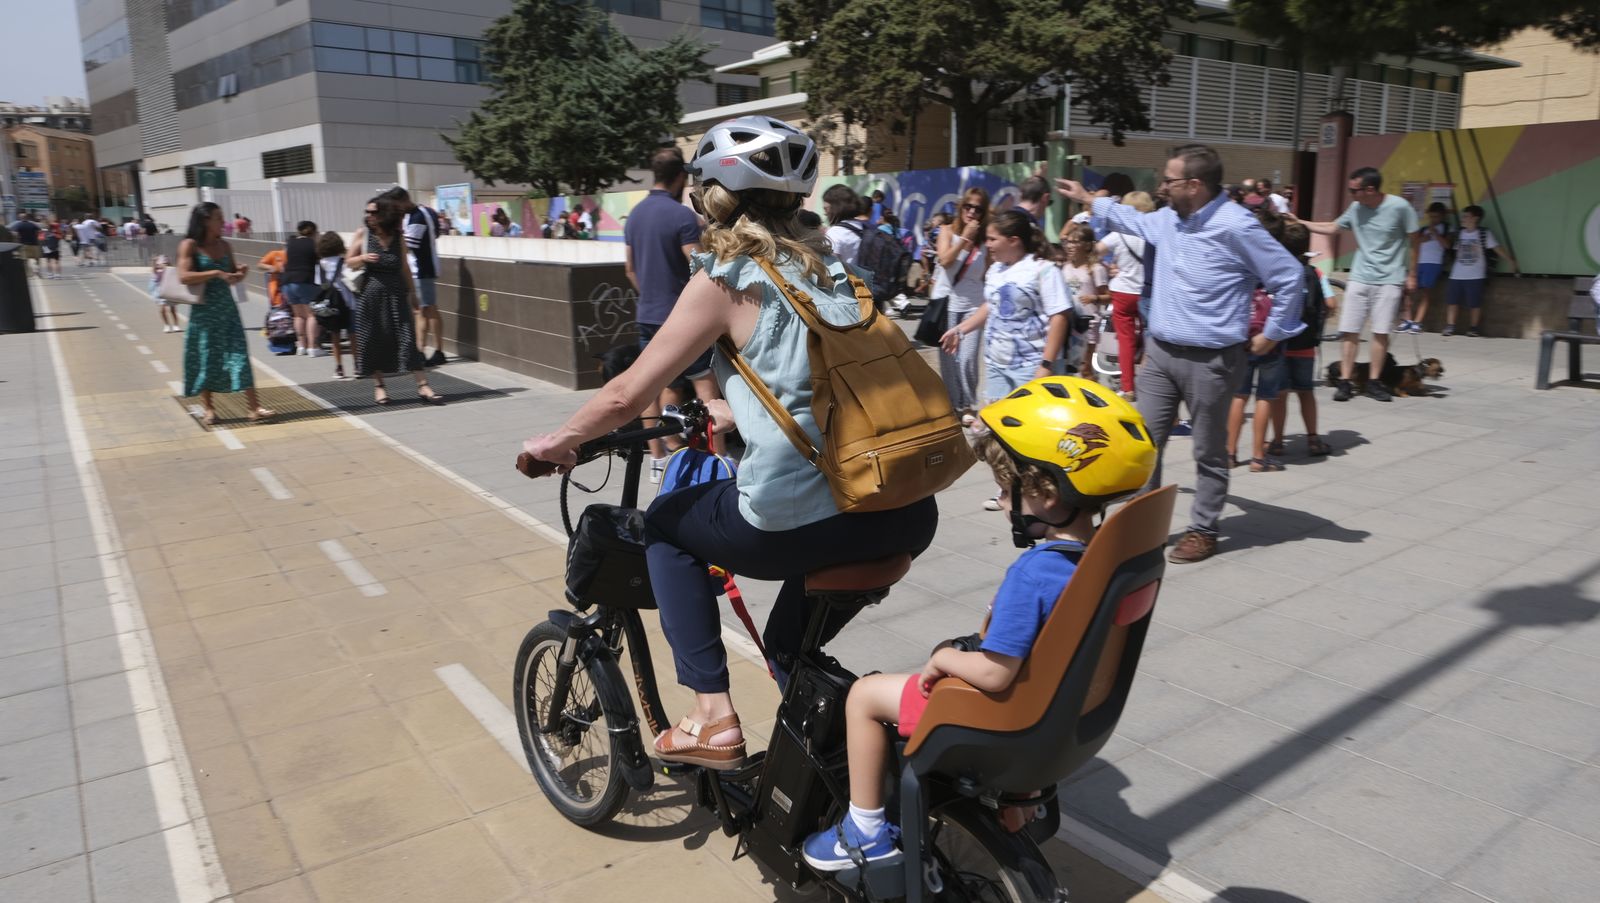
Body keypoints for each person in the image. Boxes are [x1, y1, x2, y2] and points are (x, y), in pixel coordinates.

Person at [523, 116, 940, 770]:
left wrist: (558, 441)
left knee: (664, 523)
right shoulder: (832, 270)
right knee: (788, 647)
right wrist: (729, 410)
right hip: (908, 508)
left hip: (815, 518)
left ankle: (712, 717)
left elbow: (626, 394)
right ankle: (849, 751)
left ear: (712, 199)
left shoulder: (727, 277)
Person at [800, 376, 1156, 871]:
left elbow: (996, 674)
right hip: (1059, 717)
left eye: (1008, 485)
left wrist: (944, 658)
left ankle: (864, 830)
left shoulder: (1034, 573)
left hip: (1001, 719)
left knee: (865, 695)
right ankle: (1017, 803)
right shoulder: (1104, 560)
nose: (1002, 498)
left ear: (1047, 493)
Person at [1056, 143, 1305, 564]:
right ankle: (1139, 526)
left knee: (1208, 450)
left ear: (1194, 184)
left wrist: (1274, 333)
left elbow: (1289, 276)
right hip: (1161, 354)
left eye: (1168, 180)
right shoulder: (1170, 218)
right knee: (1141, 443)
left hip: (1213, 360)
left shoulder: (1236, 226)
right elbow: (1132, 218)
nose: (1161, 187)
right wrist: (1088, 200)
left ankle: (1203, 528)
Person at [624, 146, 719, 479]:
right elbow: (700, 268)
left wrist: (651, 297)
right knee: (707, 388)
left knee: (656, 386)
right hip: (683, 321)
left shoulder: (635, 214)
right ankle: (718, 461)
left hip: (647, 315)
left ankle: (658, 459)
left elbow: (630, 269)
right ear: (680, 176)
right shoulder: (681, 216)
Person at [1292, 167, 1420, 403]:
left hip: (1390, 279)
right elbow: (1333, 227)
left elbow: (1415, 239)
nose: (1351, 194)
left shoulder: (1400, 207)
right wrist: (1300, 221)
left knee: (1381, 332)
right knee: (1349, 330)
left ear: (1370, 189)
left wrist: (1412, 274)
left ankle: (1373, 381)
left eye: (1354, 190)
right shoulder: (1356, 208)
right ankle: (1345, 381)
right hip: (1360, 277)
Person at [176, 203, 273, 425]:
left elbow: (230, 277)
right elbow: (183, 276)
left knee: (239, 354)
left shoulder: (225, 245)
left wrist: (239, 274)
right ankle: (209, 408)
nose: (223, 222)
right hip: (204, 313)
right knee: (206, 357)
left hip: (228, 311)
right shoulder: (189, 245)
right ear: (205, 221)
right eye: (218, 218)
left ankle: (254, 407)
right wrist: (216, 272)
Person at [347, 196, 445, 406]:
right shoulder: (363, 235)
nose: (369, 216)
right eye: (367, 212)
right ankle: (379, 387)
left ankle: (423, 385)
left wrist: (413, 294)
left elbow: (404, 268)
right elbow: (348, 261)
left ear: (385, 214)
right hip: (371, 297)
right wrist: (362, 258)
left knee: (408, 339)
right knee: (373, 340)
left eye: (374, 212)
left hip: (396, 295)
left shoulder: (398, 237)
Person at [1268, 222, 1330, 458]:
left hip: (1281, 343)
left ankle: (1277, 441)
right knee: (1306, 392)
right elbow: (1331, 304)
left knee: (1280, 394)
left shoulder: (1279, 270)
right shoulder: (1314, 273)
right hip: (1306, 344)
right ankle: (1313, 440)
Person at [930, 188, 990, 422]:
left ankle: (967, 404)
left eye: (978, 208)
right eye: (969, 206)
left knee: (967, 359)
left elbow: (988, 273)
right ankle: (953, 404)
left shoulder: (986, 239)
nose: (972, 212)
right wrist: (965, 238)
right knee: (949, 360)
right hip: (947, 303)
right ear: (961, 206)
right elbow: (944, 261)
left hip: (974, 304)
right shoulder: (947, 231)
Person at [380, 187, 447, 366]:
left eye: (396, 205)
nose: (396, 210)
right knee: (427, 309)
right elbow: (437, 233)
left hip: (422, 269)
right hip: (426, 267)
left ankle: (426, 350)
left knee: (425, 310)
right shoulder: (426, 211)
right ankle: (426, 349)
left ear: (404, 200)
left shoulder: (417, 217)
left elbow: (409, 245)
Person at [1098, 191, 1154, 400]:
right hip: (1148, 291)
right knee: (1151, 339)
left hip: (1122, 291)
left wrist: (1109, 267)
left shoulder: (1119, 234)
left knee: (1126, 340)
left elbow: (1096, 251)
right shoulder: (1152, 233)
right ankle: (1151, 387)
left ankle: (1128, 387)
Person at [1443, 205, 1518, 337]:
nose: (1463, 219)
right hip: (1456, 274)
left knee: (1475, 303)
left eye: (1466, 216)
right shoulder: (1459, 233)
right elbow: (1453, 250)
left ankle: (1473, 328)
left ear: (1475, 218)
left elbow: (1497, 248)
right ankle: (1450, 326)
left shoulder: (1484, 234)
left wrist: (1510, 260)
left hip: (1475, 275)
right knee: (1452, 301)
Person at [1058, 223, 1109, 376]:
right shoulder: (1066, 267)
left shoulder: (1095, 269)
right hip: (1068, 322)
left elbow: (1109, 297)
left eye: (1075, 242)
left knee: (1085, 368)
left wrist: (1094, 298)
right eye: (1068, 242)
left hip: (1088, 324)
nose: (1070, 246)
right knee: (1067, 367)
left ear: (1087, 246)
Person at [1402, 202, 1451, 334]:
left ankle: (1417, 323)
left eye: (1437, 217)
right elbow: (1414, 243)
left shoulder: (1447, 228)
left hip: (1433, 263)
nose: (1434, 219)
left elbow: (1447, 245)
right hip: (1418, 263)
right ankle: (1407, 320)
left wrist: (1436, 234)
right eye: (1431, 216)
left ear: (1442, 216)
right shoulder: (1424, 229)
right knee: (1408, 290)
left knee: (1425, 292)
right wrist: (1422, 239)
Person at [313, 231, 356, 378]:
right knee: (353, 335)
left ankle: (339, 368)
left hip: (331, 305)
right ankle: (357, 366)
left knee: (335, 337)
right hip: (348, 302)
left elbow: (320, 284)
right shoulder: (343, 261)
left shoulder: (320, 265)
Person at [280, 221, 325, 356]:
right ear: (313, 231)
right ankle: (313, 347)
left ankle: (301, 346)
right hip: (305, 280)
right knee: (312, 315)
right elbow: (320, 261)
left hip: (287, 282)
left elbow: (284, 263)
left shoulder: (290, 243)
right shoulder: (313, 244)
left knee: (298, 315)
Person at [822, 184, 871, 266]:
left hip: (851, 278)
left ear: (836, 208)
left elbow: (832, 269)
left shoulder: (835, 233)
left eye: (826, 208)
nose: (825, 213)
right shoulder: (861, 226)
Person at [150, 254, 180, 333]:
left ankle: (176, 325)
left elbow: (175, 277)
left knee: (172, 310)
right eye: (162, 263)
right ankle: (166, 325)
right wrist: (154, 263)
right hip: (161, 292)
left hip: (170, 291)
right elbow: (155, 277)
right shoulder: (157, 271)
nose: (164, 265)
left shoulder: (171, 270)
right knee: (162, 310)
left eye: (166, 263)